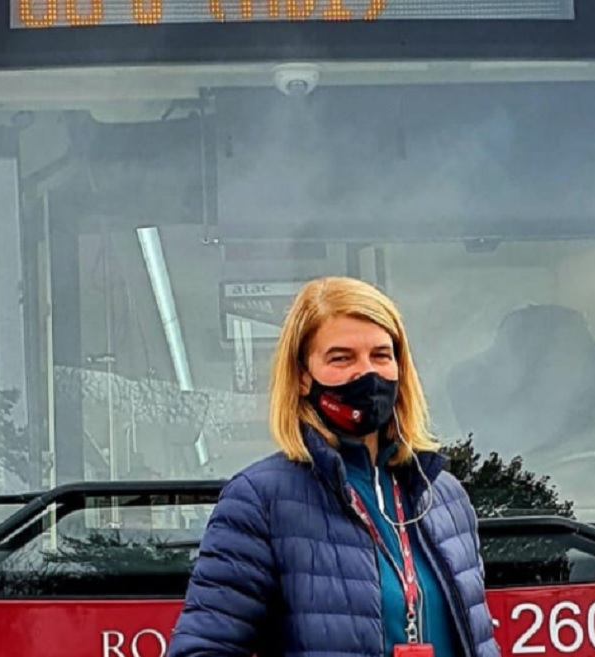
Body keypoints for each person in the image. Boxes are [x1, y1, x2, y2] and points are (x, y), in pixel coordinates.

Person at [168, 276, 499, 657]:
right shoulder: (259, 500)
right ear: (303, 376)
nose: (367, 373)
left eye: (381, 355)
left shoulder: (444, 496)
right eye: (341, 358)